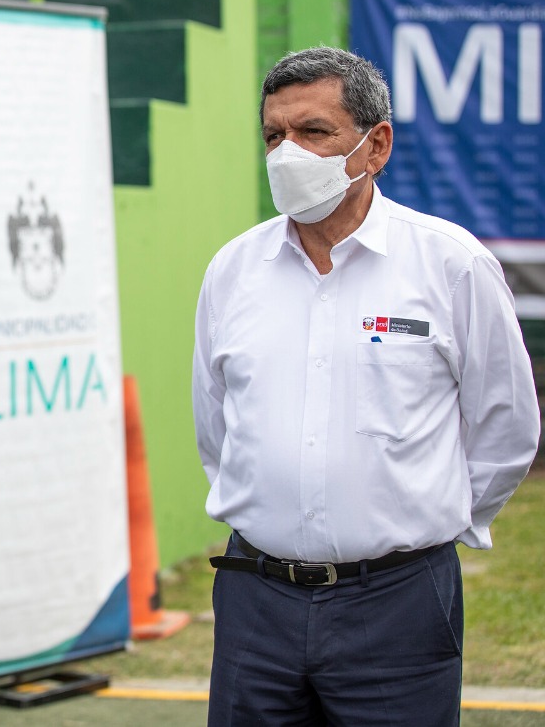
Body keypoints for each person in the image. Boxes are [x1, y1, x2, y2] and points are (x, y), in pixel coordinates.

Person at [192, 46, 539, 725]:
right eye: (274, 135)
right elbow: (218, 427)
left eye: (313, 132)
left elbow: (506, 427)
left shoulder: (450, 263)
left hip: (397, 604)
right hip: (256, 601)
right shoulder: (233, 271)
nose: (287, 152)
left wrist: (428, 522)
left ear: (375, 145)